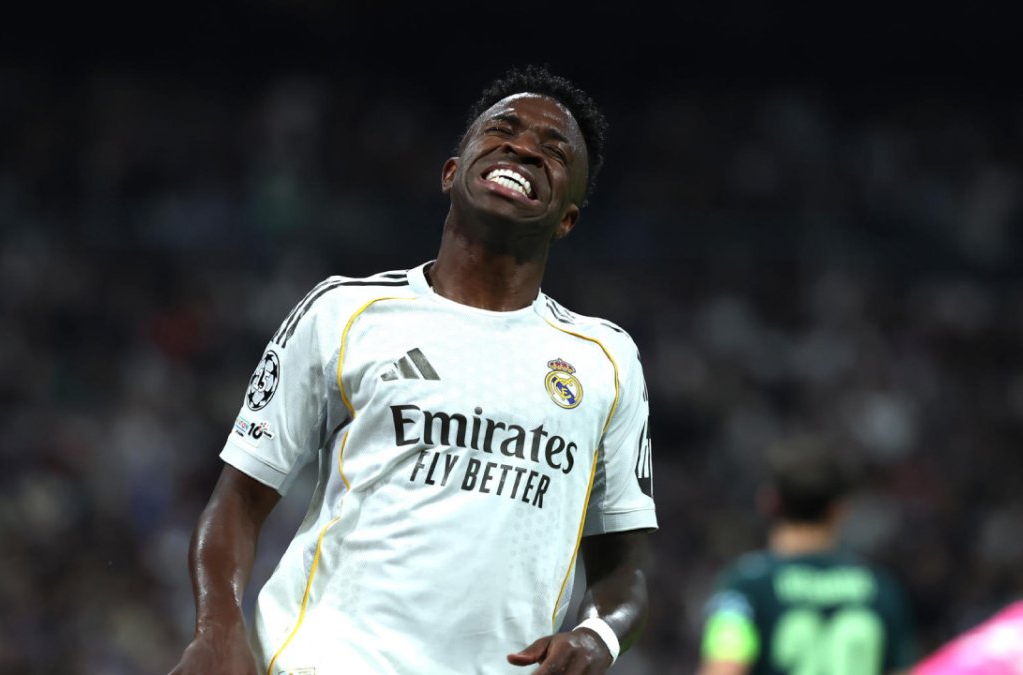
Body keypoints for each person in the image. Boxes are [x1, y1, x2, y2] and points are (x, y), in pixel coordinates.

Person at [169, 65, 657, 675]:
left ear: (567, 219)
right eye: (503, 129)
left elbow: (624, 570)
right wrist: (217, 628)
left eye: (554, 151)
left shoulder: (605, 360)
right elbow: (240, 499)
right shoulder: (343, 313)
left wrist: (598, 637)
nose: (525, 148)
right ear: (452, 173)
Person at [696, 436, 915, 675]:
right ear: (840, 511)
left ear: (769, 502)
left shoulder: (745, 588)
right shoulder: (881, 590)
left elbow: (724, 668)